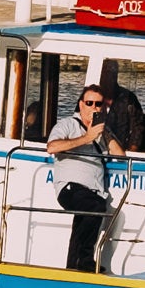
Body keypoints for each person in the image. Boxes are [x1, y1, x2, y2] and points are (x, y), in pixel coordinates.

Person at [46, 83, 120, 272]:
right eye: (89, 103)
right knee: (94, 207)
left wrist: (106, 135)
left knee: (85, 216)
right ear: (80, 105)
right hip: (70, 187)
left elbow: (121, 156)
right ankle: (85, 259)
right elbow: (52, 147)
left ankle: (73, 265)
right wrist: (86, 138)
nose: (94, 108)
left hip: (92, 190)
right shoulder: (68, 124)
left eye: (98, 104)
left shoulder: (102, 133)